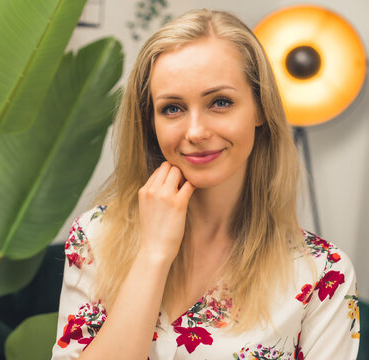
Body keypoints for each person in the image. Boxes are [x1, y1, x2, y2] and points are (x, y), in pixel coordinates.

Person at [51, 9, 359, 360]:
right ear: (150, 121)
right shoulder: (95, 238)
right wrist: (153, 254)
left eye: (220, 102)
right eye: (172, 108)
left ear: (260, 108)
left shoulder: (323, 274)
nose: (196, 131)